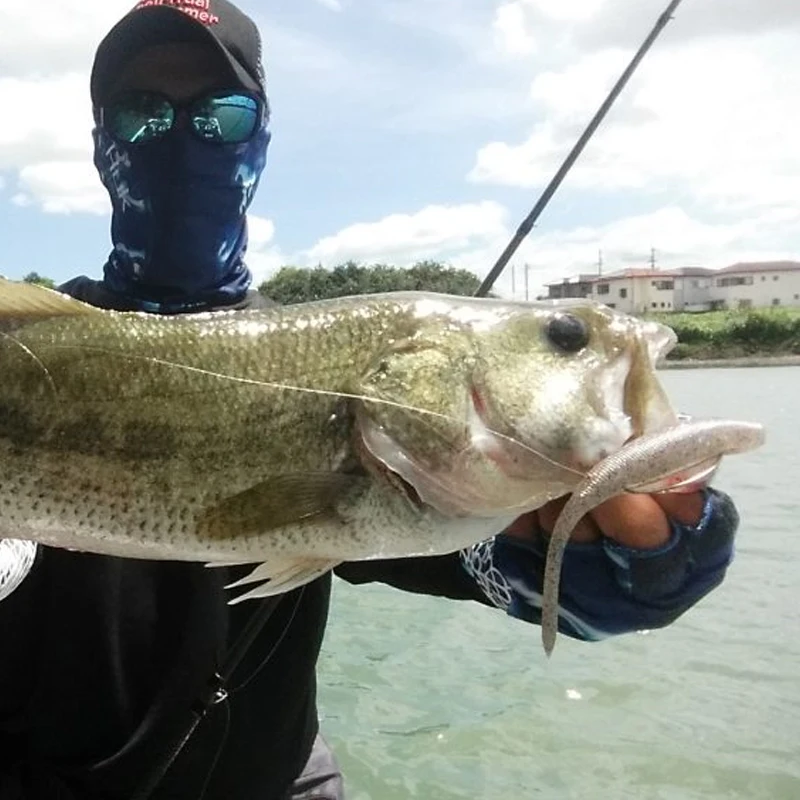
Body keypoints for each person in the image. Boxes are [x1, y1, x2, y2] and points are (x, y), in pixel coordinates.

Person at [0, 1, 740, 798]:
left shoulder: (394, 441)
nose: (182, 139)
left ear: (260, 138)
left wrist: (609, 573)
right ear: (102, 141)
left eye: (221, 113)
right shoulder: (24, 355)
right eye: (142, 114)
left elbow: (485, 556)